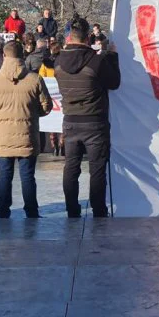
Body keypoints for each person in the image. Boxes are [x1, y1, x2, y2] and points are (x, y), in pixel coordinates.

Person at [0, 40, 53, 218]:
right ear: (23, 55)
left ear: (4, 56)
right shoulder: (35, 79)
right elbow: (47, 106)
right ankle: (31, 211)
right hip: (27, 135)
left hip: (3, 137)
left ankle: (2, 210)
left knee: (4, 175)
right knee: (28, 176)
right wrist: (33, 115)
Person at [56, 16, 120, 218]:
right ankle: (99, 210)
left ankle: (72, 209)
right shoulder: (96, 61)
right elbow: (114, 83)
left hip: (70, 122)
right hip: (95, 123)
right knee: (97, 169)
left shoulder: (58, 62)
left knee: (71, 168)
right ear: (88, 37)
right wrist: (113, 57)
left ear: (69, 37)